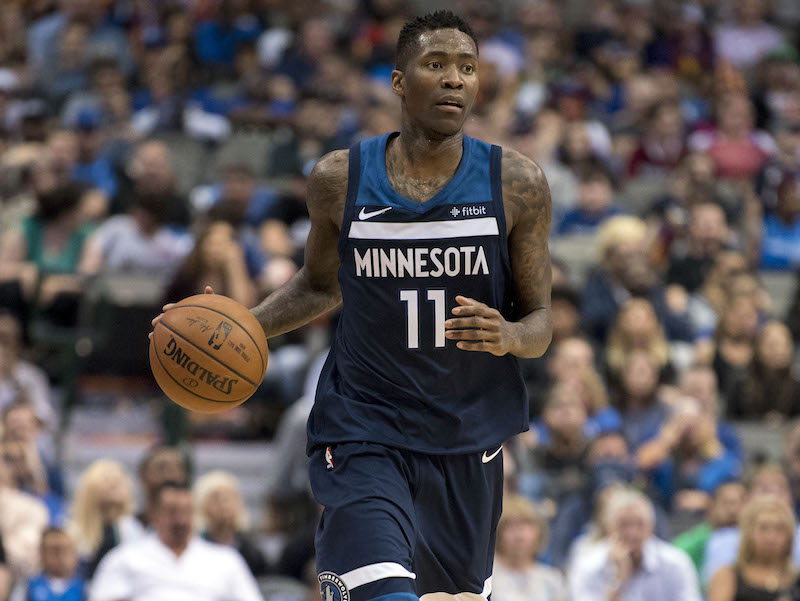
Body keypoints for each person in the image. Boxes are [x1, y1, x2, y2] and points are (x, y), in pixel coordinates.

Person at [153, 10, 554, 601]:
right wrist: (241, 327)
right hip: (365, 425)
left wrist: (509, 335)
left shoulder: (516, 182)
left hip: (466, 434)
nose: (454, 79)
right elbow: (321, 286)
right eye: (436, 64)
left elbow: (540, 322)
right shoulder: (340, 179)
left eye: (467, 68)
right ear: (398, 82)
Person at [89, 482, 263, 601]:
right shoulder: (125, 558)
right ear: (155, 515)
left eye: (187, 512)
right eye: (172, 512)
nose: (181, 521)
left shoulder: (225, 559)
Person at [567, 488, 700, 601]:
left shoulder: (675, 563)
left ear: (651, 528)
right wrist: (619, 580)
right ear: (609, 528)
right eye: (624, 525)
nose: (632, 533)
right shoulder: (588, 564)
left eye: (639, 524)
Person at [708, 496, 797, 601]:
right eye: (763, 528)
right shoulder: (728, 576)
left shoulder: (796, 579)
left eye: (779, 529)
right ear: (748, 533)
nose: (771, 537)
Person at [66, 459, 145, 578]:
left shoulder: (133, 528)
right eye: (106, 479)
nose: (113, 484)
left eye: (118, 480)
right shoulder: (73, 530)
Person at [491, 495, 568, 601]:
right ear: (498, 534)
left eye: (526, 526)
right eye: (510, 526)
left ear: (538, 532)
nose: (519, 535)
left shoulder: (552, 580)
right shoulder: (488, 580)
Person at [193, 470, 267, 577]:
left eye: (229, 498)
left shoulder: (252, 553)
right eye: (216, 499)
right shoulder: (195, 546)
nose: (224, 504)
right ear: (202, 505)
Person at [25, 527, 85, 601]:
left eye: (65, 551)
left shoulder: (84, 588)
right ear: (42, 554)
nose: (60, 557)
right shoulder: (30, 586)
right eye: (54, 552)